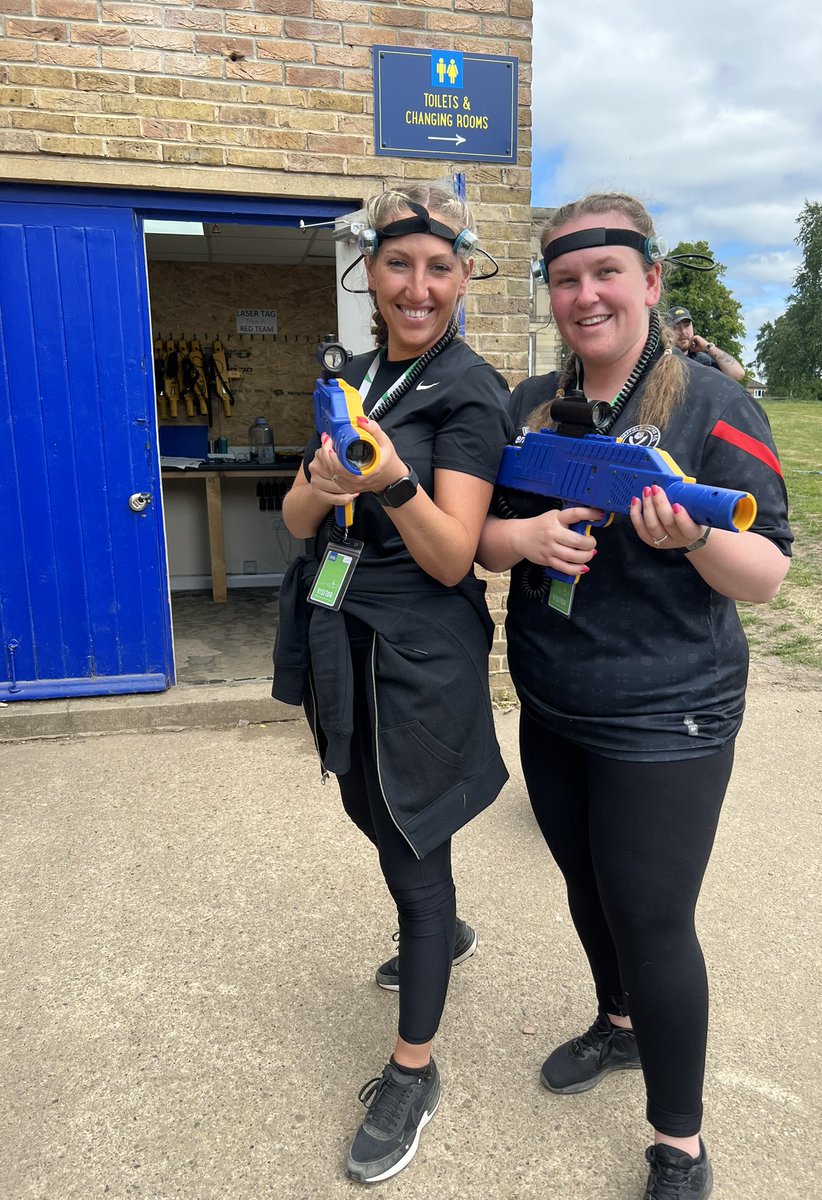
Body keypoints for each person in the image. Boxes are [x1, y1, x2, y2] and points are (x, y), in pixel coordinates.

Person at [478, 193, 792, 1199]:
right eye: (565, 279)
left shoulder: (713, 405)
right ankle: (617, 1024)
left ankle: (679, 1145)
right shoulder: (531, 401)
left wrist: (697, 537)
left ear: (650, 283)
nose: (585, 295)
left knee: (654, 918)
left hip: (669, 715)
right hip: (555, 700)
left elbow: (768, 572)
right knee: (586, 886)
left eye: (605, 273)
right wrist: (523, 540)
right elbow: (485, 531)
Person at [272, 185, 512, 1184]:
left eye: (439, 268)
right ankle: (442, 927)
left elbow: (458, 556)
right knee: (367, 800)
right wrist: (323, 487)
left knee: (413, 838)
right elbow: (292, 520)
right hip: (343, 633)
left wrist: (388, 485)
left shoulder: (469, 390)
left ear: (462, 279)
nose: (418, 286)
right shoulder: (358, 373)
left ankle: (413, 1070)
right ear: (369, 271)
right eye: (400, 264)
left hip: (418, 651)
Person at [667, 305, 746, 381]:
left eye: (687, 325)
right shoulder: (661, 359)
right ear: (666, 331)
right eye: (676, 327)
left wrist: (708, 347)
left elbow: (738, 374)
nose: (683, 332)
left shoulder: (702, 360)